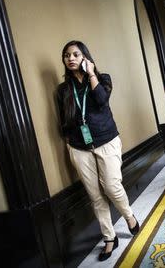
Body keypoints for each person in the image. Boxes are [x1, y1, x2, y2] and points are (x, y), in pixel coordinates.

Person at [56, 40, 139, 261]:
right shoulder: (63, 90)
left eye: (75, 54)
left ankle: (129, 216)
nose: (71, 58)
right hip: (79, 147)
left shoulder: (103, 79)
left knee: (111, 186)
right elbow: (63, 120)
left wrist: (91, 73)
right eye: (66, 55)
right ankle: (109, 237)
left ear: (85, 57)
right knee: (95, 195)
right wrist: (69, 143)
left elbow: (101, 101)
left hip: (106, 140)